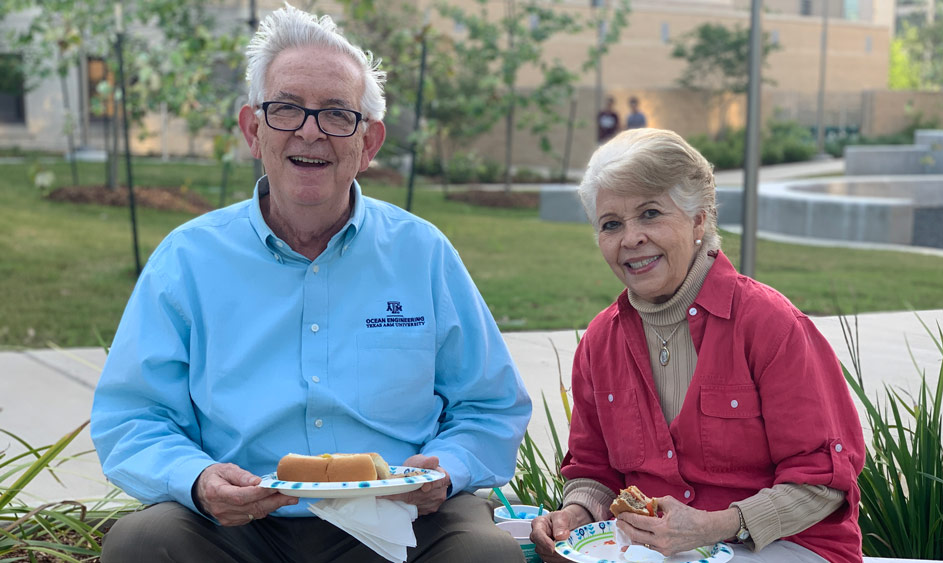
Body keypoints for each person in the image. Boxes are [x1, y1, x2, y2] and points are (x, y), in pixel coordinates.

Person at [91, 6, 531, 563]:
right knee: (141, 545)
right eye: (287, 109)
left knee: (484, 556)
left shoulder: (422, 253)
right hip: (241, 527)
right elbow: (132, 415)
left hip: (403, 518)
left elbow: (490, 405)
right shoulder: (188, 259)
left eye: (336, 115)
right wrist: (197, 479)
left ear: (368, 144)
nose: (310, 130)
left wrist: (450, 467)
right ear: (254, 129)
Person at [529, 128, 865, 562]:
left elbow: (823, 482)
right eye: (611, 224)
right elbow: (593, 469)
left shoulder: (770, 324)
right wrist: (576, 513)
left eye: (650, 214)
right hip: (657, 554)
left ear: (699, 219)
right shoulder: (600, 341)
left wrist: (714, 526)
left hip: (787, 547)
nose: (631, 238)